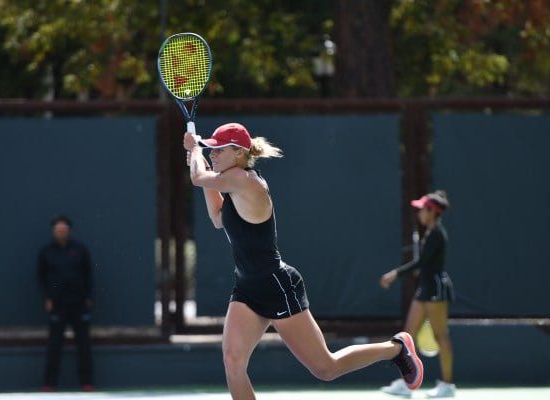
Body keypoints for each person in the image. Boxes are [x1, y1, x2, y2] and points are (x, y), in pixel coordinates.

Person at [183, 122, 424, 400]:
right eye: (212, 149)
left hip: (277, 286)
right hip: (247, 288)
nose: (213, 154)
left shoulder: (245, 180)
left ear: (239, 153)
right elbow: (216, 217)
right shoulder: (230, 184)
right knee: (233, 362)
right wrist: (197, 157)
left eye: (219, 149)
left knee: (325, 368)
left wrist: (195, 153)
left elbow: (199, 178)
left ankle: (396, 348)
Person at [380, 191, 455, 398]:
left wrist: (394, 274)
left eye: (423, 209)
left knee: (441, 336)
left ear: (432, 212)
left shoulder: (437, 234)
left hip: (436, 288)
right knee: (408, 336)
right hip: (425, 288)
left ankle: (448, 385)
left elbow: (421, 263)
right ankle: (406, 383)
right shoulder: (431, 233)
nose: (419, 213)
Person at [38, 215, 94, 392]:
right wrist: (47, 297)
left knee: (83, 345)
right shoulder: (46, 251)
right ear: (54, 231)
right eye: (57, 230)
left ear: (69, 231)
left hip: (78, 304)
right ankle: (49, 383)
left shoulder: (80, 250)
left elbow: (89, 274)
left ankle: (86, 382)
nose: (61, 233)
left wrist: (88, 296)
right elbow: (40, 277)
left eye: (64, 230)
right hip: (57, 304)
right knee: (54, 345)